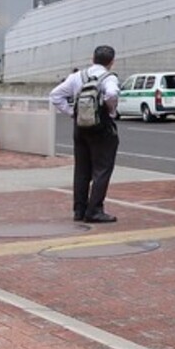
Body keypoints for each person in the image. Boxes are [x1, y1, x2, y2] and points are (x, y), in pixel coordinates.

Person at [49, 45, 121, 223]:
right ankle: (95, 210)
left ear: (92, 58)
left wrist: (72, 112)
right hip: (101, 128)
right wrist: (110, 110)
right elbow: (112, 94)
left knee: (81, 170)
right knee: (102, 169)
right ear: (111, 62)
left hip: (80, 126)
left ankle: (79, 210)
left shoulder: (76, 77)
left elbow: (55, 95)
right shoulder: (109, 78)